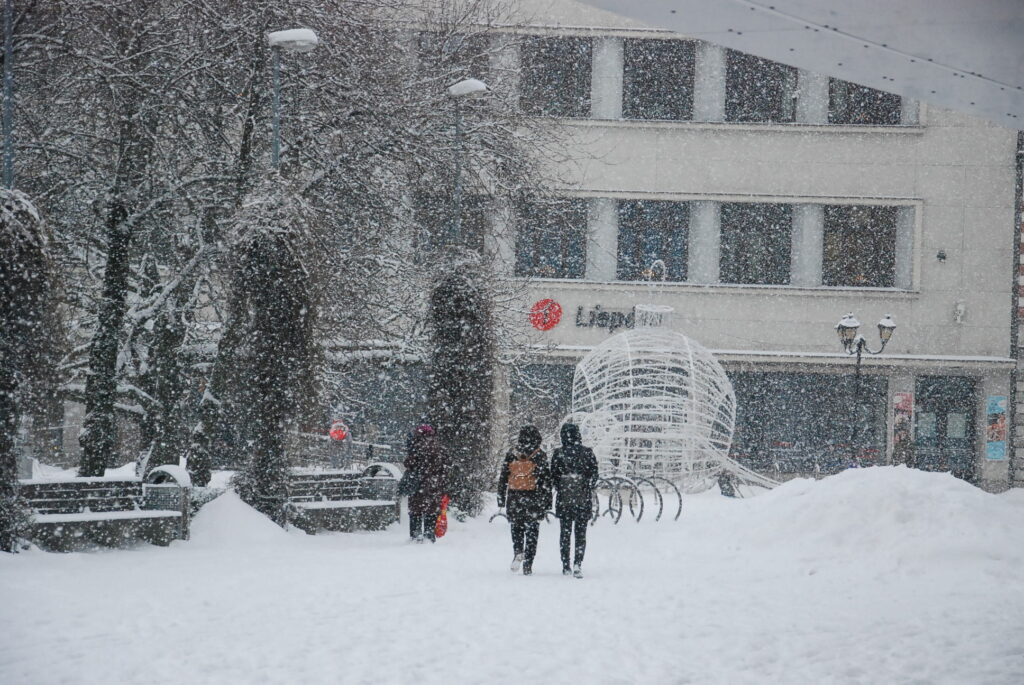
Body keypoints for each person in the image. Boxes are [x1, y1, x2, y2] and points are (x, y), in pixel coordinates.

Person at [497, 425, 551, 576]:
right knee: (532, 531)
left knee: (516, 527)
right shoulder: (540, 454)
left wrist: (501, 498)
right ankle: (528, 563)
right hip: (534, 498)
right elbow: (546, 479)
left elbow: (503, 477)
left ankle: (518, 551)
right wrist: (547, 501)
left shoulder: (512, 453)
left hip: (515, 497)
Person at [550, 422, 598, 579]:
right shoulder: (587, 453)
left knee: (565, 533)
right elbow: (594, 475)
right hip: (582, 499)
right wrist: (585, 485)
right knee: (580, 533)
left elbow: (554, 477)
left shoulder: (558, 453)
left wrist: (563, 486)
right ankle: (578, 563)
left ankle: (566, 565)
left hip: (564, 499)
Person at [404, 424, 446, 543]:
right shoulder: (438, 446)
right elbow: (444, 467)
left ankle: (415, 536)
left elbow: (409, 464)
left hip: (417, 485)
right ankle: (429, 535)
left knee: (415, 512)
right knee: (431, 511)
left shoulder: (416, 446)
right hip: (433, 485)